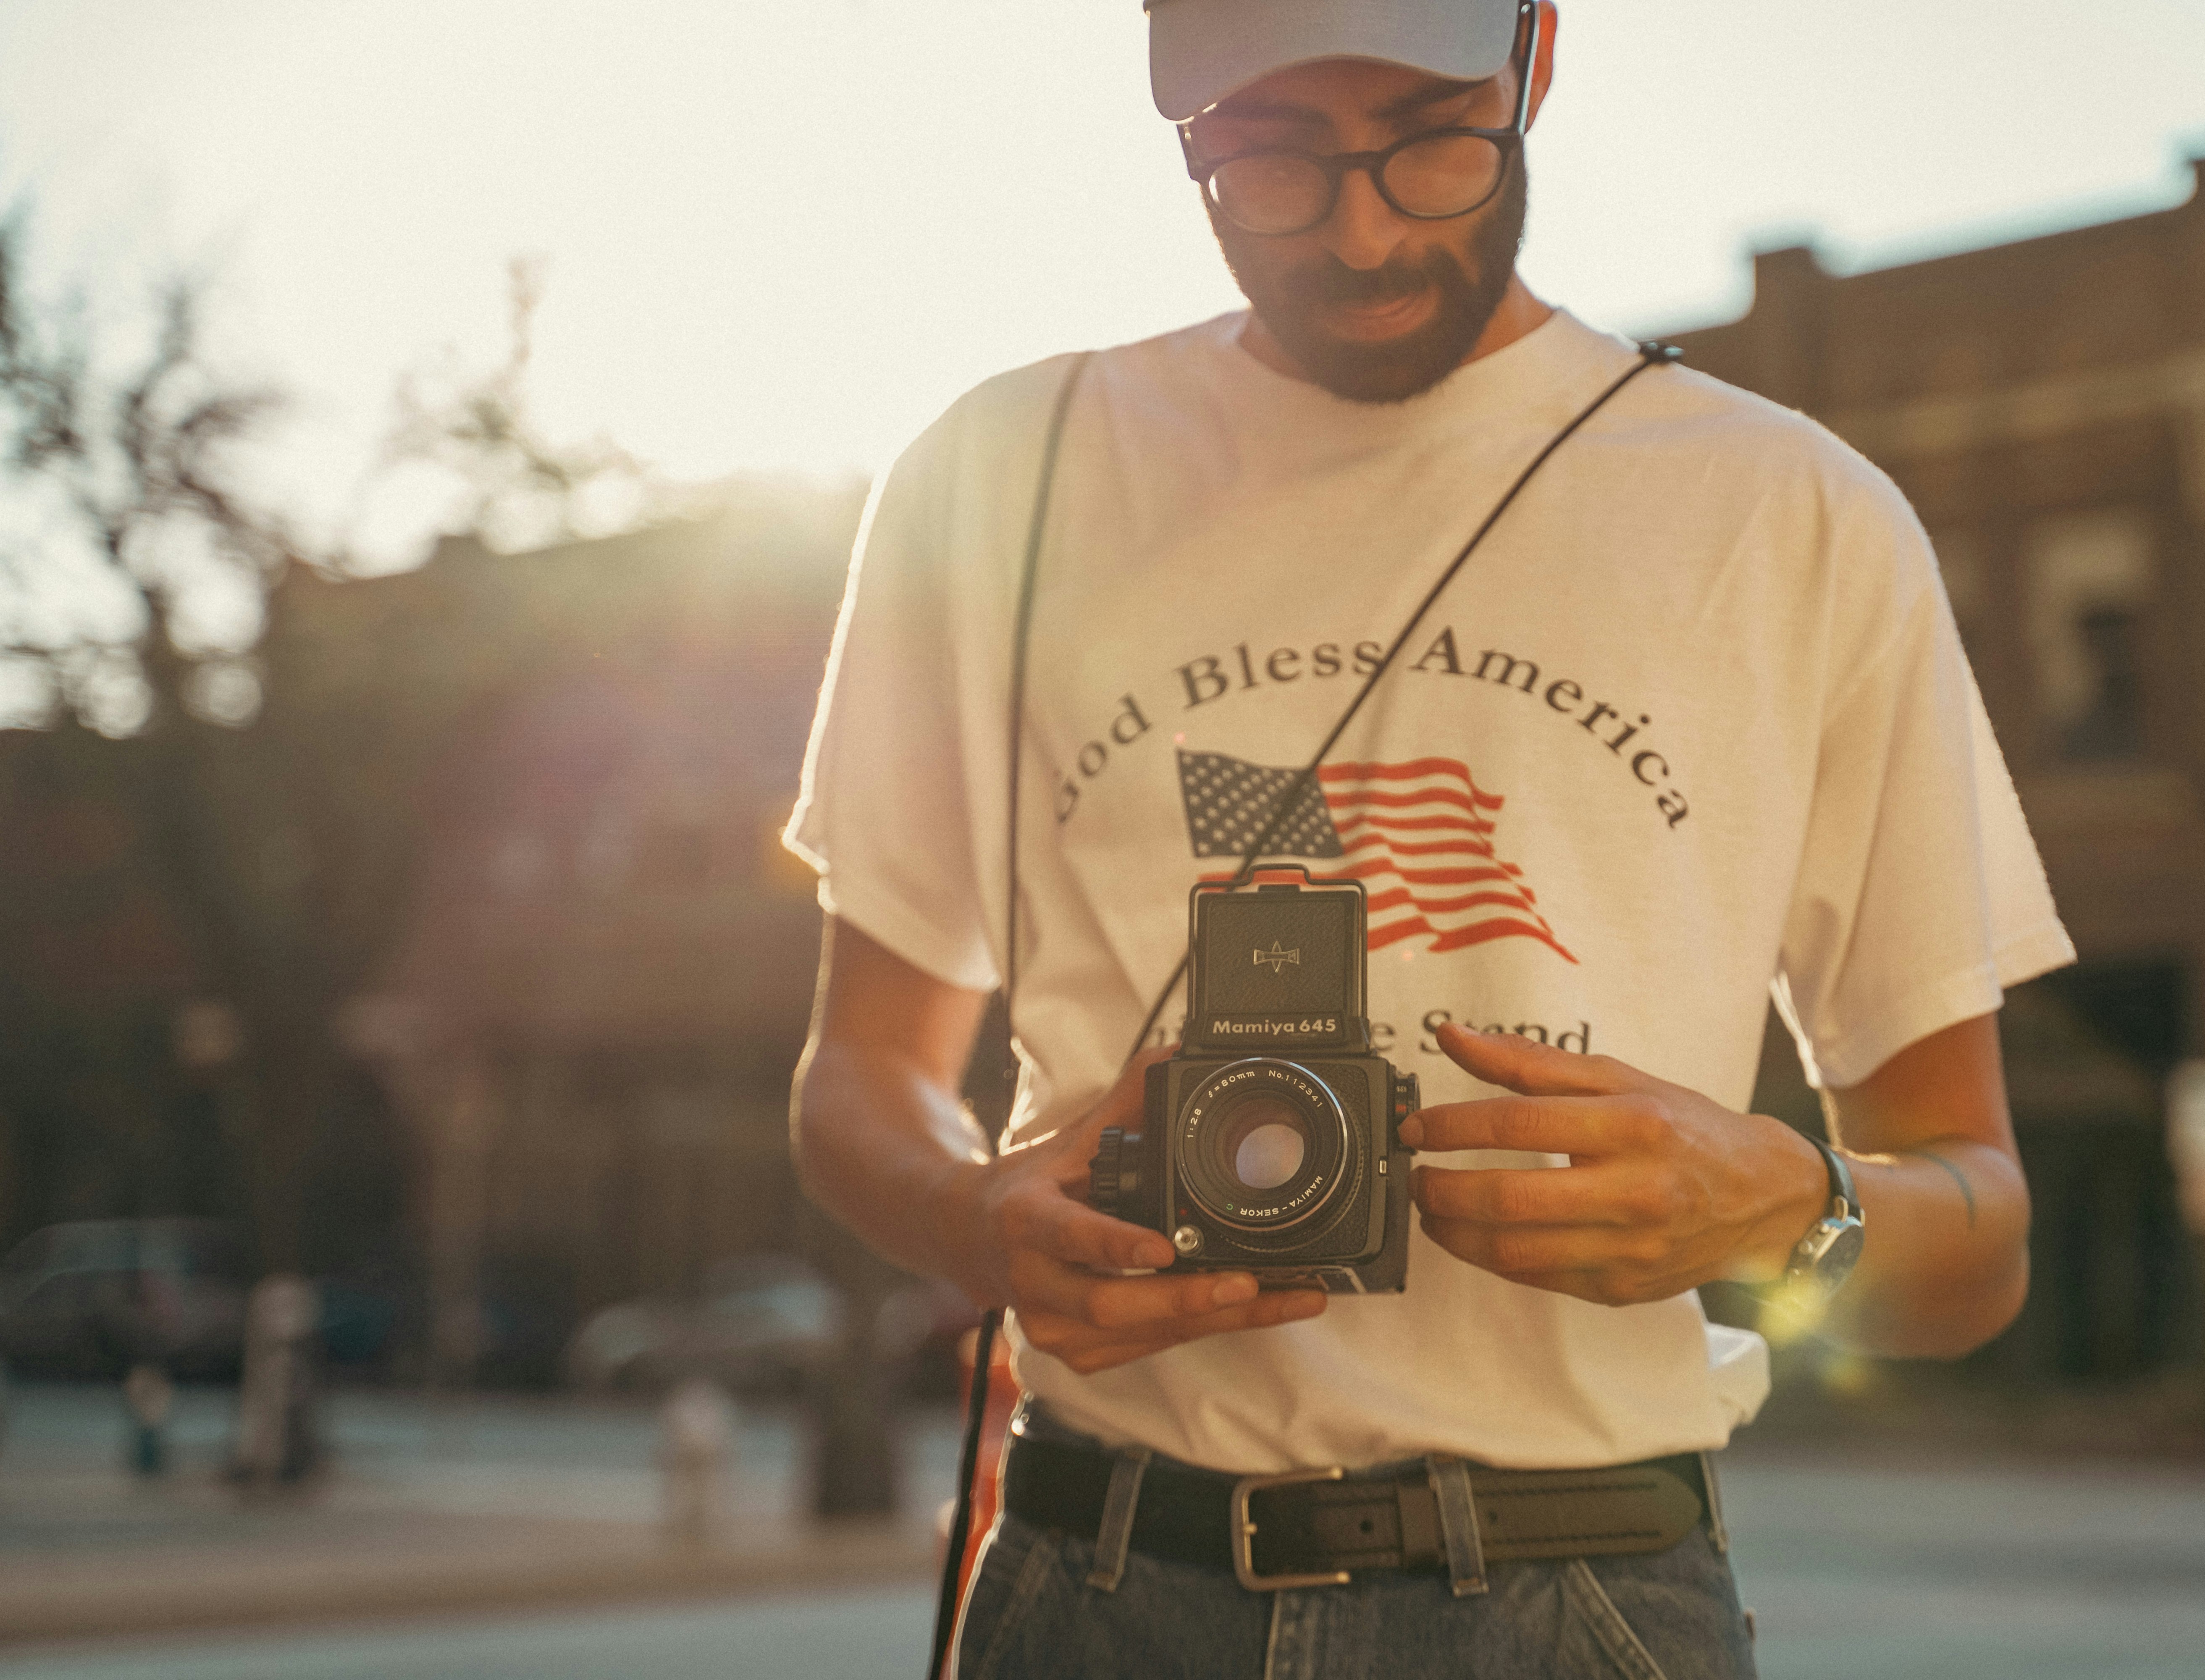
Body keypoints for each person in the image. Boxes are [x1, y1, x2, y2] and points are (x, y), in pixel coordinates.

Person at [785, 2, 2074, 1674]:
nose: (1366, 226)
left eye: (1428, 133)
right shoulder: (996, 477)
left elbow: (1977, 1241)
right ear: (1183, 130)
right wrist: (977, 1220)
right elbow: (857, 1074)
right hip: (1101, 1566)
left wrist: (1783, 1211)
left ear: (1537, 56)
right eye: (1272, 158)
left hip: (1583, 1588)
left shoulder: (1796, 518)